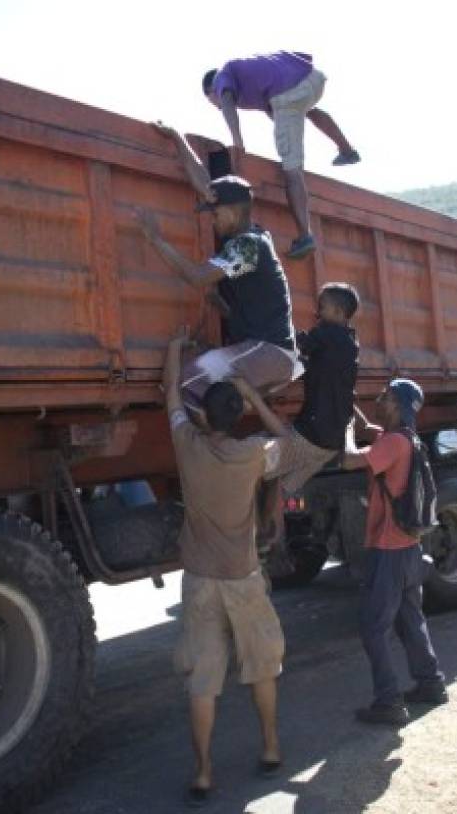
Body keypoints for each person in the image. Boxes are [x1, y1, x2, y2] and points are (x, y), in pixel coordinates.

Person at [163, 332, 289, 805]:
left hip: (199, 578)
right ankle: (272, 748)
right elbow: (285, 439)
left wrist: (175, 350)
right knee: (261, 665)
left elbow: (171, 394)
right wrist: (254, 396)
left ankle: (202, 773)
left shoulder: (187, 444)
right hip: (243, 576)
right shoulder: (251, 452)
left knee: (202, 679)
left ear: (202, 416)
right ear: (237, 417)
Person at [136, 175, 299, 416]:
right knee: (196, 376)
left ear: (233, 212)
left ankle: (204, 445)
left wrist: (155, 239)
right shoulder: (255, 239)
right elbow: (254, 308)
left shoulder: (248, 245)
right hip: (266, 352)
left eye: (215, 214)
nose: (212, 222)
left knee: (187, 380)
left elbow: (197, 277)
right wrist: (220, 306)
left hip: (269, 350)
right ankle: (213, 436)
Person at [341, 378, 447, 726]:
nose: (379, 399)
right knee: (411, 620)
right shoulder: (407, 439)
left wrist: (344, 431)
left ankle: (388, 702)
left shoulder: (393, 444)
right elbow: (372, 429)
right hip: (409, 549)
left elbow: (349, 460)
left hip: (388, 550)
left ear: (398, 406)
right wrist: (350, 407)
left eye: (384, 396)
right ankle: (431, 683)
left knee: (374, 627)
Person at [202, 51, 361, 259]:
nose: (217, 105)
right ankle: (347, 150)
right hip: (312, 79)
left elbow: (228, 102)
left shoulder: (222, 77)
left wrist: (237, 141)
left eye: (212, 101)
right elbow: (274, 110)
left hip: (288, 93)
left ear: (211, 91)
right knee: (307, 110)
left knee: (291, 169)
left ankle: (305, 236)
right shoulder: (245, 74)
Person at [258, 283, 362, 555]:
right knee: (281, 484)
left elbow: (296, 344)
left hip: (312, 434)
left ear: (339, 312)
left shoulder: (327, 334)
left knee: (261, 469)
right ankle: (270, 535)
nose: (317, 312)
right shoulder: (351, 342)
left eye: (322, 307)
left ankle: (264, 533)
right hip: (330, 441)